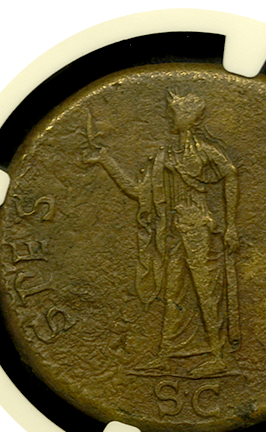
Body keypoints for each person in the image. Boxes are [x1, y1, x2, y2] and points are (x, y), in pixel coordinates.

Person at [85, 91, 240, 377]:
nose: (168, 117)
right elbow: (137, 192)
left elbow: (230, 175)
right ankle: (167, 354)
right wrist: (106, 160)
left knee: (205, 289)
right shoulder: (163, 157)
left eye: (174, 113)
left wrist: (231, 225)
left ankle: (218, 356)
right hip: (173, 232)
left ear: (189, 119)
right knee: (173, 292)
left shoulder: (204, 152)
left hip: (197, 227)